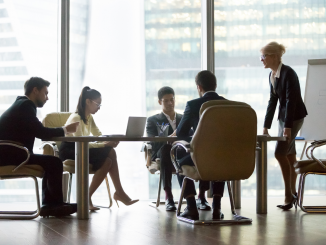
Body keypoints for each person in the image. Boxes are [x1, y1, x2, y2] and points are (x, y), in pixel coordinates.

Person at [0, 77, 79, 217]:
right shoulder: (26, 106)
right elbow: (41, 132)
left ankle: (51, 205)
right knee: (54, 162)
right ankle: (53, 205)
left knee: (51, 162)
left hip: (10, 152)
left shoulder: (20, 104)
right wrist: (66, 129)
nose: (47, 98)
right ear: (35, 90)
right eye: (45, 93)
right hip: (12, 154)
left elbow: (38, 131)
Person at [59, 86, 138, 211]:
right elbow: (81, 143)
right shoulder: (76, 118)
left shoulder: (89, 117)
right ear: (88, 102)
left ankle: (89, 196)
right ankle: (118, 193)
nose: (99, 108)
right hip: (71, 150)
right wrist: (104, 145)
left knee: (108, 160)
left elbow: (98, 136)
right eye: (97, 104)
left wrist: (110, 139)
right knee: (110, 152)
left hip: (83, 148)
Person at [260, 42, 307, 210]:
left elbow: (291, 101)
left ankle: (289, 194)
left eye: (264, 56)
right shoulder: (272, 75)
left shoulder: (289, 73)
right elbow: (273, 101)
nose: (261, 59)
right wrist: (266, 125)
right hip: (284, 118)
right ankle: (293, 193)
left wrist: (287, 127)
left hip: (294, 118)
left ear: (274, 56)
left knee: (280, 153)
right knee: (289, 155)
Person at [175, 70, 226, 220]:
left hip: (200, 157)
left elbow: (180, 133)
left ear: (199, 87)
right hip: (224, 159)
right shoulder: (228, 104)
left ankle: (191, 206)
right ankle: (216, 207)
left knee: (179, 157)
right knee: (220, 159)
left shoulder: (193, 105)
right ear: (215, 85)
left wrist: (195, 132)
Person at [146, 87, 185, 211]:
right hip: (162, 152)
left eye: (172, 100)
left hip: (180, 151)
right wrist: (170, 137)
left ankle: (191, 196)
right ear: (159, 102)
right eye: (166, 101)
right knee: (167, 149)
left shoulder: (183, 119)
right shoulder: (153, 120)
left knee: (179, 151)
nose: (170, 103)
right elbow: (153, 141)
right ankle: (168, 196)